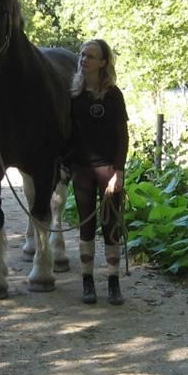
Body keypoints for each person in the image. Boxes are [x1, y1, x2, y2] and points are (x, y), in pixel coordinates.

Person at [70, 39, 129, 305]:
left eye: (90, 56)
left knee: (110, 225)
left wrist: (118, 171)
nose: (84, 60)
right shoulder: (73, 94)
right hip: (82, 169)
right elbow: (66, 133)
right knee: (86, 224)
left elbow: (122, 136)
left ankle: (113, 282)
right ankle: (87, 281)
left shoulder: (114, 95)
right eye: (82, 55)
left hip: (107, 168)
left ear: (103, 62)